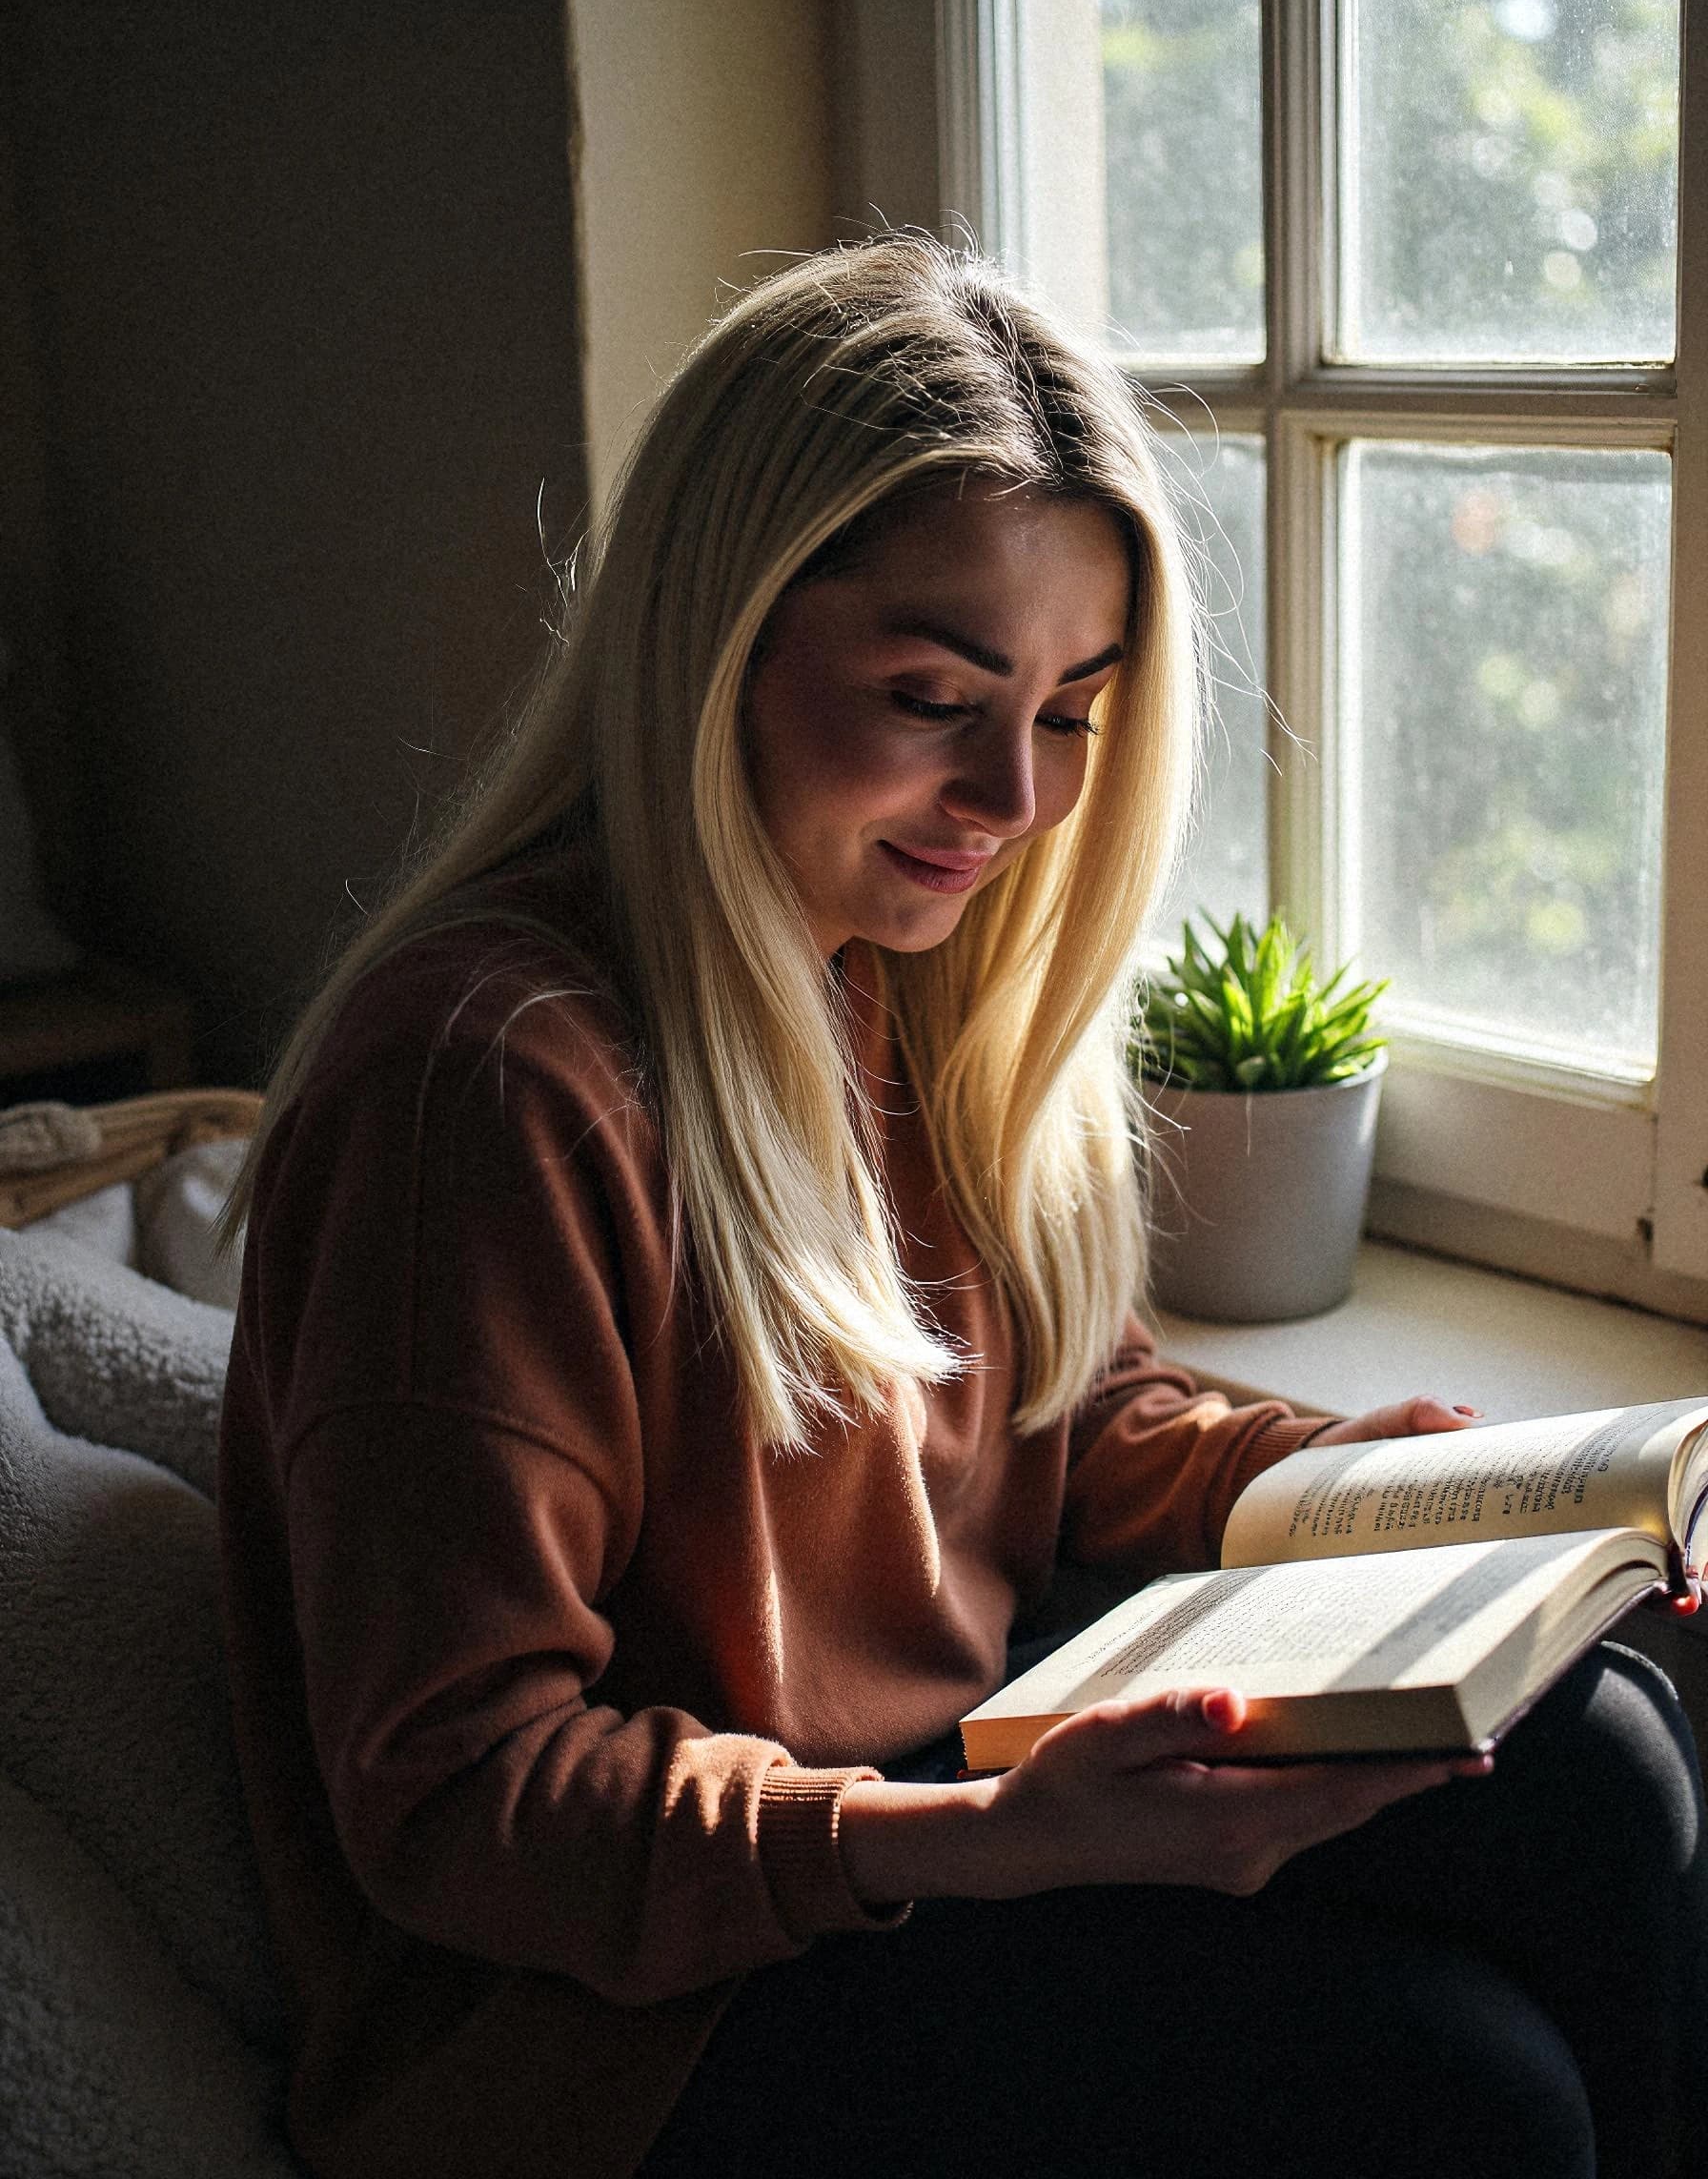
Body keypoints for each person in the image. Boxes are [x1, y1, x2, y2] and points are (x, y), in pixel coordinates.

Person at [216, 234, 1705, 2179]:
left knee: (1598, 1764)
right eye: (933, 695)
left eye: (1074, 706)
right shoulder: (488, 1085)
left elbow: (1055, 1421)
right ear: (713, 641)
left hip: (934, 1795)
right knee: (1452, 2094)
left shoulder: (901, 974)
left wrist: (1359, 1488)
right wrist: (994, 1843)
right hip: (613, 2029)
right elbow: (463, 1802)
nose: (1011, 796)